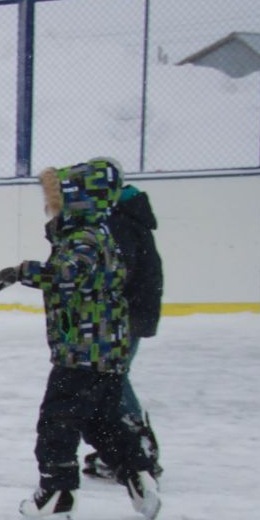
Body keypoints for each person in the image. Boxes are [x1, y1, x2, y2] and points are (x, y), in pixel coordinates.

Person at [0, 157, 161, 520]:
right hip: (103, 347)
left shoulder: (84, 237)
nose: (53, 204)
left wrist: (21, 272)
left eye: (62, 197)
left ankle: (56, 497)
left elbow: (70, 274)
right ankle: (137, 474)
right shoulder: (96, 231)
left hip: (83, 349)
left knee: (57, 422)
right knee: (101, 421)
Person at [85, 174, 164, 481]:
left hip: (124, 315)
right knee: (111, 377)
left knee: (111, 377)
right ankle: (125, 447)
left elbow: (117, 272)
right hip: (131, 312)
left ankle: (137, 447)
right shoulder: (125, 216)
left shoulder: (118, 222)